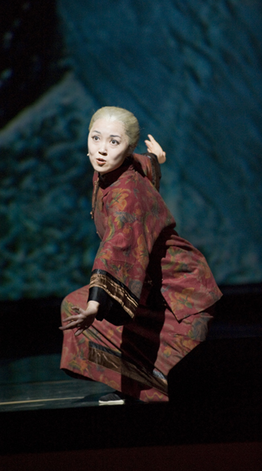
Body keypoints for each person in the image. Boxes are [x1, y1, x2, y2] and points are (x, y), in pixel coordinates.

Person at [59, 106, 222, 404]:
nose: (102, 150)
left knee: (79, 308)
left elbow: (117, 246)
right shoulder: (114, 169)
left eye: (113, 142)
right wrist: (158, 159)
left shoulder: (127, 194)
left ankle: (149, 393)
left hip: (178, 292)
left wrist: (96, 302)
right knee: (74, 306)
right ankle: (134, 387)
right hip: (151, 284)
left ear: (128, 146)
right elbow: (142, 164)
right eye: (95, 138)